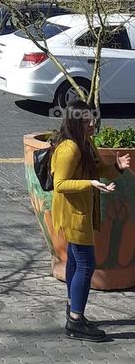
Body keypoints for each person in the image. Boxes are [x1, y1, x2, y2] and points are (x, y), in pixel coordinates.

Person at [50, 105, 131, 341]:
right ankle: (75, 321)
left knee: (76, 261)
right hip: (74, 214)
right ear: (75, 123)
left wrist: (118, 167)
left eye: (93, 120)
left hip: (82, 211)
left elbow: (101, 170)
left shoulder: (85, 142)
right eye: (87, 122)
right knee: (86, 265)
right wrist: (90, 184)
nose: (93, 125)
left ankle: (73, 309)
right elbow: (60, 184)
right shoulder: (69, 148)